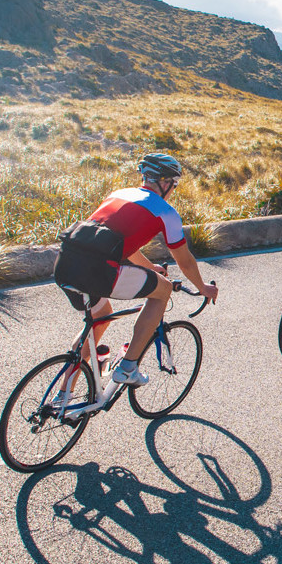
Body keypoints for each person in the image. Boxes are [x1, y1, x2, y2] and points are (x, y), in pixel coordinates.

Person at [53, 153, 219, 396]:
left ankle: (62, 397)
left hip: (65, 264)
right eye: (174, 185)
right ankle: (129, 367)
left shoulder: (118, 194)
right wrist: (203, 287)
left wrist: (150, 268)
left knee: (100, 318)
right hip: (99, 270)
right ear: (165, 183)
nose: (172, 190)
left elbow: (117, 242)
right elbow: (184, 260)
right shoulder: (166, 212)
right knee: (161, 292)